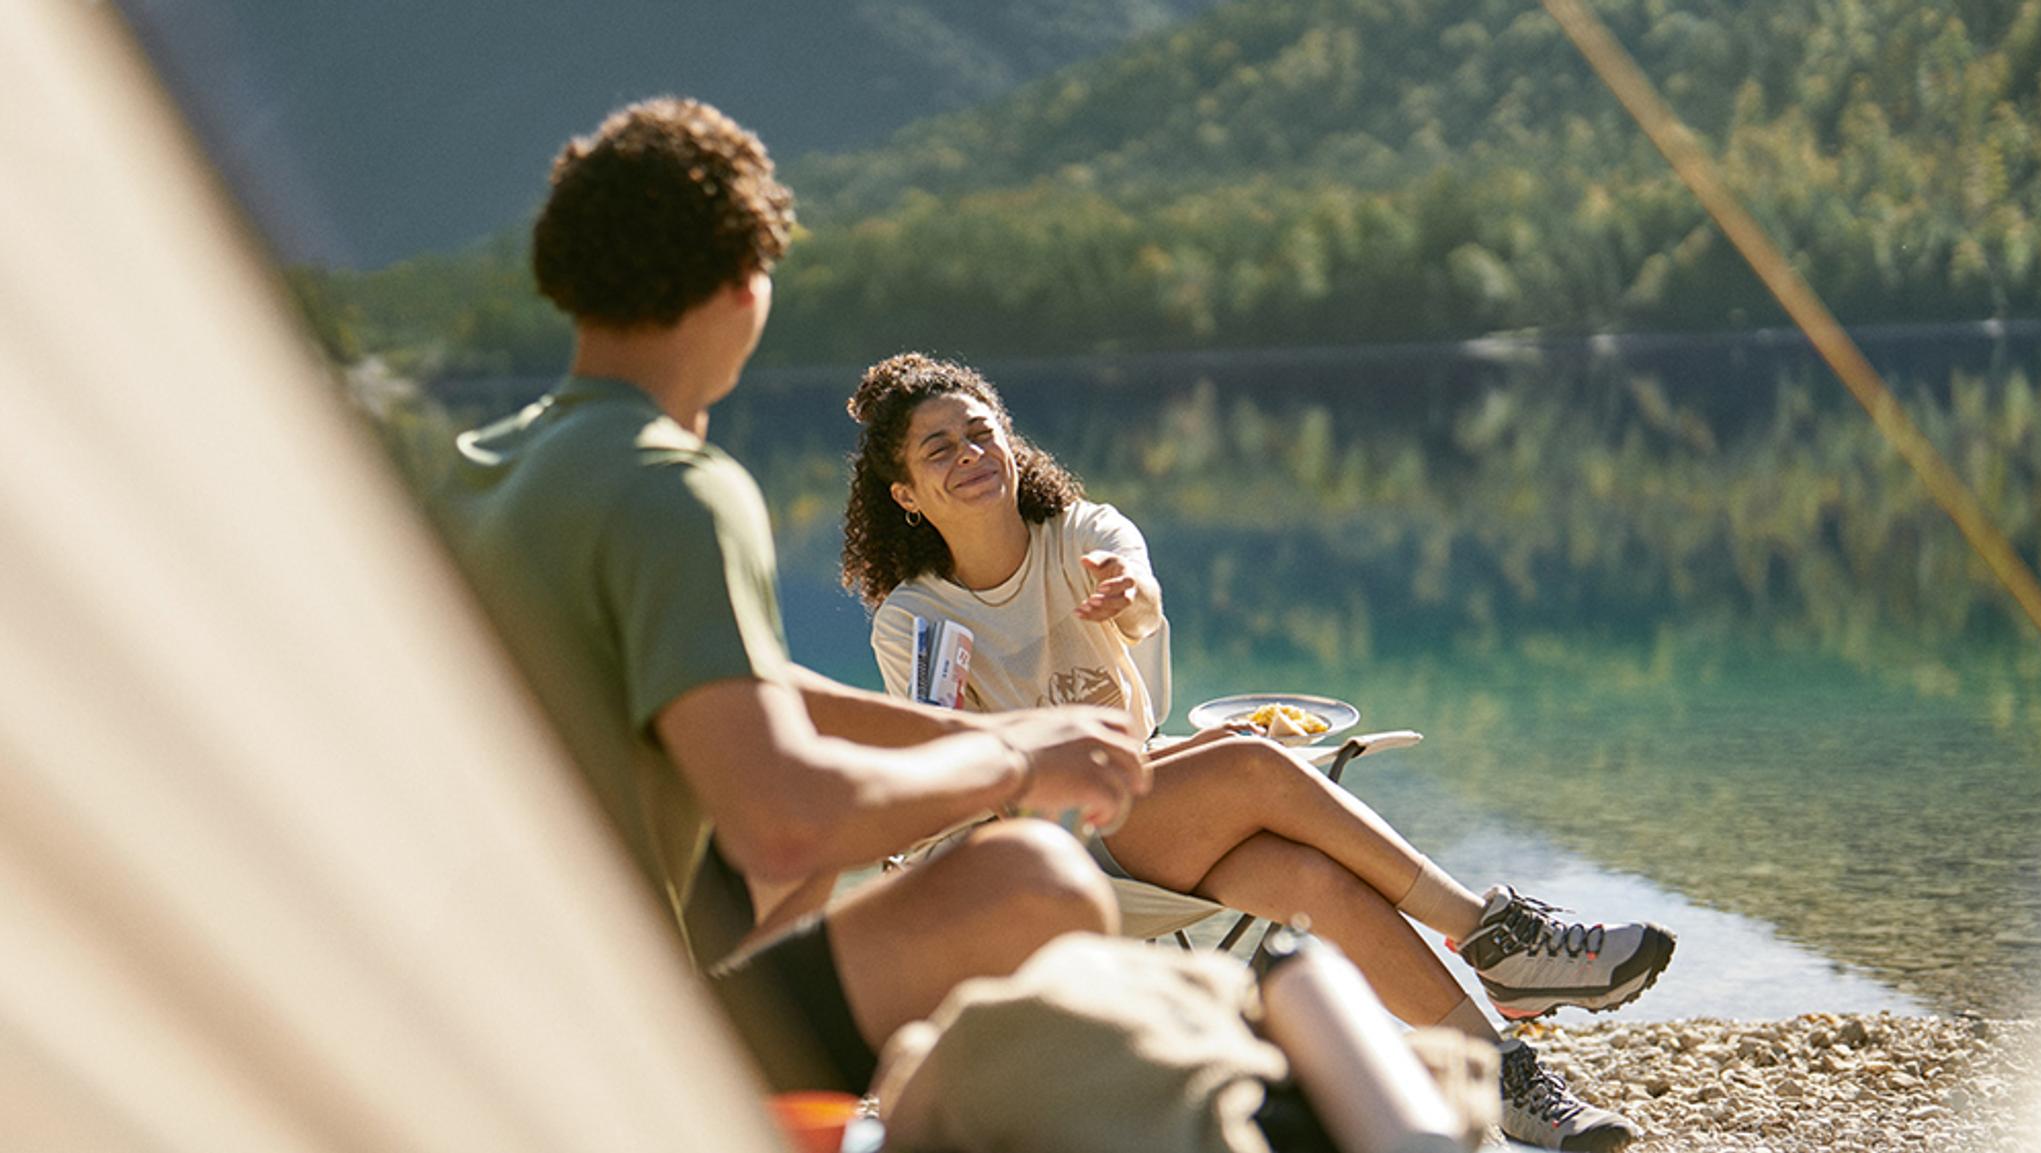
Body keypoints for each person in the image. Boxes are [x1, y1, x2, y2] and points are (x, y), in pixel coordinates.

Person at [431, 99, 1154, 1096]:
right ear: (745, 283)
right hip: (597, 1025)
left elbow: (754, 689)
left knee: (822, 837)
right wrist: (1012, 767)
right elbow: (782, 819)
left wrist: (998, 737)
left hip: (468, 990)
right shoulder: (672, 486)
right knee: (1035, 881)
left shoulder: (487, 465)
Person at [839, 352, 1677, 1151]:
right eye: (938, 449)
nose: (969, 453)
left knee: (1309, 879)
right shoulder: (915, 618)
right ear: (905, 493)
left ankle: (1502, 1070)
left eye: (980, 431)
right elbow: (961, 776)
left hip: (1143, 820)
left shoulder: (1079, 532)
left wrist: (1131, 596)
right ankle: (1494, 935)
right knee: (1250, 764)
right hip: (1040, 858)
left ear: (1009, 440)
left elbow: (1135, 584)